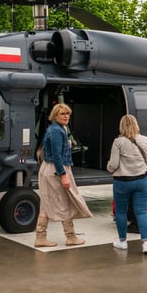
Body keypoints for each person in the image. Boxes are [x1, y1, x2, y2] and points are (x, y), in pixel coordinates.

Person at [34, 103, 93, 247]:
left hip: (51, 169)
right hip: (55, 170)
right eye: (62, 114)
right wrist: (63, 175)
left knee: (47, 203)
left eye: (67, 114)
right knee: (65, 201)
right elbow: (56, 156)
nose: (66, 116)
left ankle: (41, 237)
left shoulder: (58, 129)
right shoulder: (56, 131)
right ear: (55, 116)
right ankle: (70, 237)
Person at [107, 114, 147, 254]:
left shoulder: (118, 142)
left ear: (121, 126)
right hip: (141, 181)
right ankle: (146, 243)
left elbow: (113, 164)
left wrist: (109, 167)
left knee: (121, 212)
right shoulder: (145, 140)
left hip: (122, 183)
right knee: (141, 212)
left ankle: (122, 241)